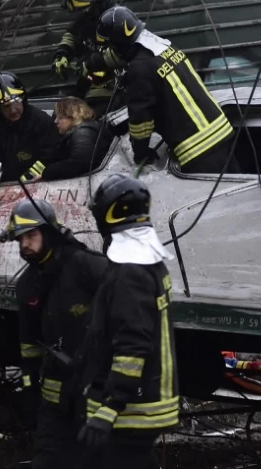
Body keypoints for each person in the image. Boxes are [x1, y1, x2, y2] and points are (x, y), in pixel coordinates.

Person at [75, 174, 180, 468]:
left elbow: (132, 345)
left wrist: (111, 406)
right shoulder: (150, 261)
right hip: (145, 401)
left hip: (132, 408)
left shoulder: (129, 271)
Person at [0, 198, 109, 469]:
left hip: (96, 393)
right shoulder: (27, 286)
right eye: (20, 239)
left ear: (48, 232)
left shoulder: (86, 265)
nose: (25, 245)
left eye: (31, 236)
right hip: (55, 398)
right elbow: (29, 347)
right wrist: (29, 391)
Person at [96, 5, 235, 174]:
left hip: (198, 149)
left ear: (119, 44)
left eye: (110, 46)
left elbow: (141, 120)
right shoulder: (164, 49)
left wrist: (141, 154)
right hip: (222, 131)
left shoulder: (139, 68)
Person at [0, 72, 59, 184]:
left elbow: (52, 154)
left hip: (36, 185)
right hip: (1, 188)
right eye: (6, 106)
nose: (13, 110)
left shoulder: (41, 122)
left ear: (23, 99)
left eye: (16, 102)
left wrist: (29, 178)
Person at [53, 0, 121, 117]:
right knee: (60, 115)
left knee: (89, 120)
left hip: (113, 87)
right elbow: (72, 34)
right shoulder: (88, 16)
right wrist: (63, 53)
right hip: (88, 82)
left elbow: (120, 54)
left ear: (97, 2)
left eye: (85, 9)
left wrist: (90, 64)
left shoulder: (117, 20)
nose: (83, 13)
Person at [21, 97, 115, 182]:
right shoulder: (79, 132)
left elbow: (81, 161)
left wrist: (48, 172)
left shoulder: (83, 133)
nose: (56, 121)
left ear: (72, 116)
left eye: (60, 117)